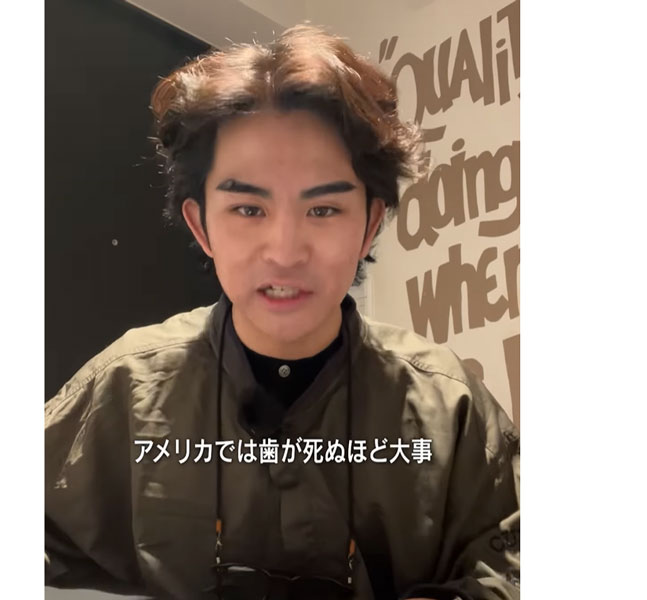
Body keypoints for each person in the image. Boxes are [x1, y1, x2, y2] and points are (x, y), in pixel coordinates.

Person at [45, 23, 520, 600]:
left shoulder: (451, 404)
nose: (286, 252)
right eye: (248, 209)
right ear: (201, 225)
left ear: (370, 223)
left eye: (323, 210)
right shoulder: (124, 384)